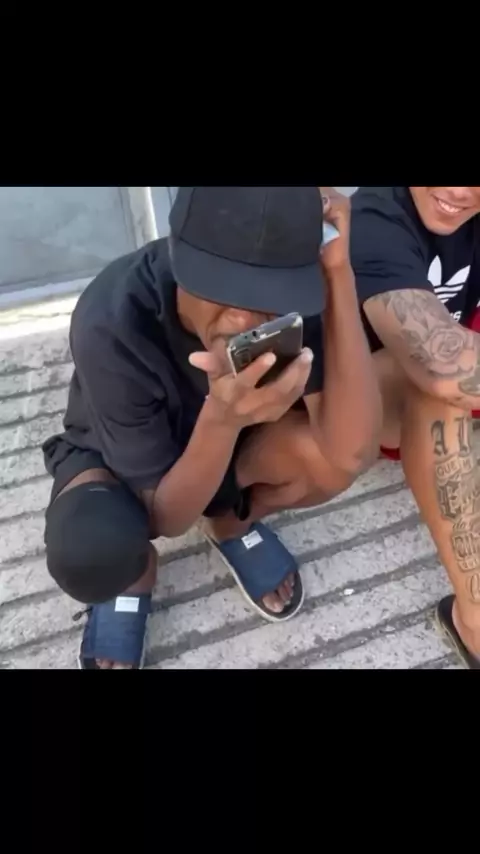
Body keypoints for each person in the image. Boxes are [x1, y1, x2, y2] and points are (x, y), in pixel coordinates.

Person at [42, 186, 382, 669]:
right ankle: (137, 572)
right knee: (95, 547)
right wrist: (221, 418)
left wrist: (339, 274)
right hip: (121, 459)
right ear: (177, 251)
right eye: (220, 282)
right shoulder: (113, 317)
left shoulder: (299, 299)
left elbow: (353, 450)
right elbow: (166, 519)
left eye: (270, 293)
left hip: (237, 439)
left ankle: (230, 519)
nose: (245, 316)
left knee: (330, 462)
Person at [349, 186, 480, 670]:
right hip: (373, 402)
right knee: (441, 383)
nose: (458, 190)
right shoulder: (375, 215)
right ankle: (475, 621)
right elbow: (441, 365)